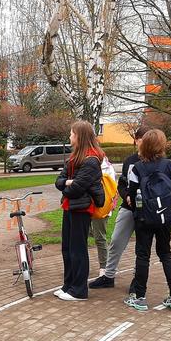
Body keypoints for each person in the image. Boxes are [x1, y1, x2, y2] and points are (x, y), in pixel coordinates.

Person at [124, 128, 171, 311]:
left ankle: (140, 297)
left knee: (143, 255)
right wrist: (166, 211)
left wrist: (141, 211)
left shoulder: (137, 168)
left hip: (144, 218)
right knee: (166, 253)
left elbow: (132, 196)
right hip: (165, 217)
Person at [90, 126, 150, 290]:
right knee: (116, 241)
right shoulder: (130, 161)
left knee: (142, 246)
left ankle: (138, 280)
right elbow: (122, 184)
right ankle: (108, 276)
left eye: (147, 140)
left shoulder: (154, 161)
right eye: (141, 140)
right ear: (136, 140)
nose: (143, 143)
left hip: (147, 211)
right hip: (128, 208)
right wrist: (127, 196)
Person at [53, 120, 105, 301]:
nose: (69, 136)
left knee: (78, 249)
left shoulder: (91, 160)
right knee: (67, 248)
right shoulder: (74, 157)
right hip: (70, 207)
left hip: (82, 209)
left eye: (71, 133)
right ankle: (68, 285)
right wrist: (68, 182)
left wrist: (67, 185)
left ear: (79, 136)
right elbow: (58, 181)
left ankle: (79, 290)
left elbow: (75, 188)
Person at [89, 155, 116, 278]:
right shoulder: (85, 162)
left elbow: (113, 188)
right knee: (84, 235)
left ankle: (104, 266)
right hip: (85, 205)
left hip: (101, 207)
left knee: (100, 237)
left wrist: (112, 203)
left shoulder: (107, 167)